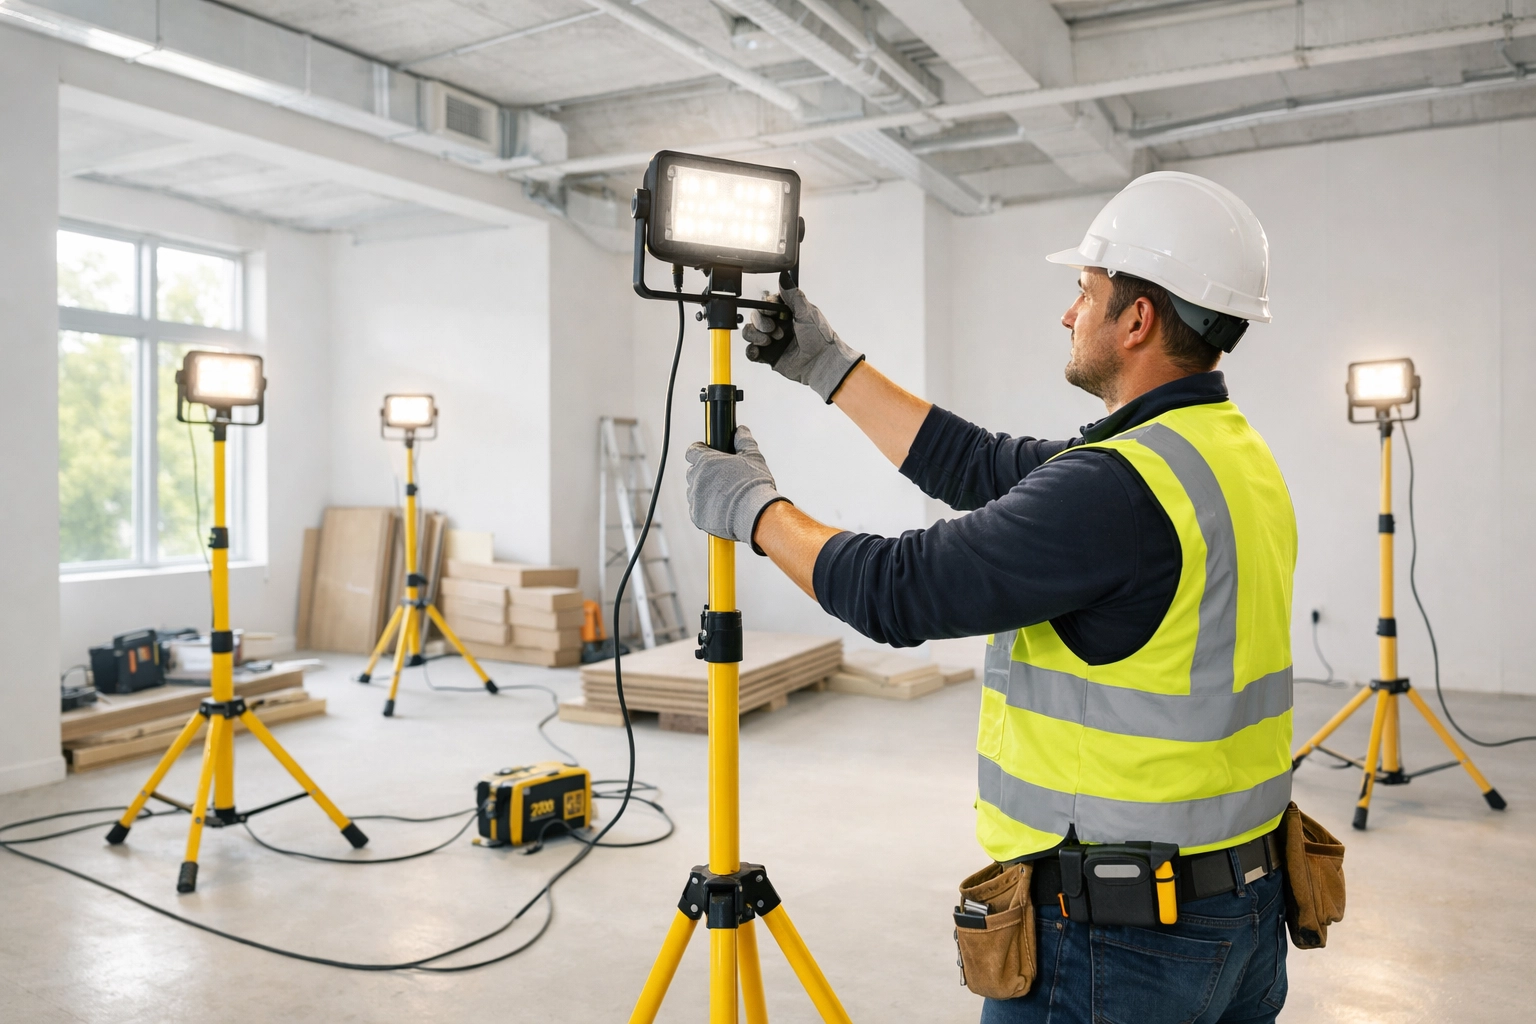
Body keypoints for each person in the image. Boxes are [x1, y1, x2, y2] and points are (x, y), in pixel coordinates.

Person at [684, 171, 1295, 1023]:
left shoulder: (1118, 490)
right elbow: (978, 464)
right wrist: (830, 367)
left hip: (1120, 945)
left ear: (1138, 320)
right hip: (1241, 914)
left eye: (1083, 293)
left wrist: (753, 511)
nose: (1067, 313)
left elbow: (905, 591)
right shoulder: (1221, 453)